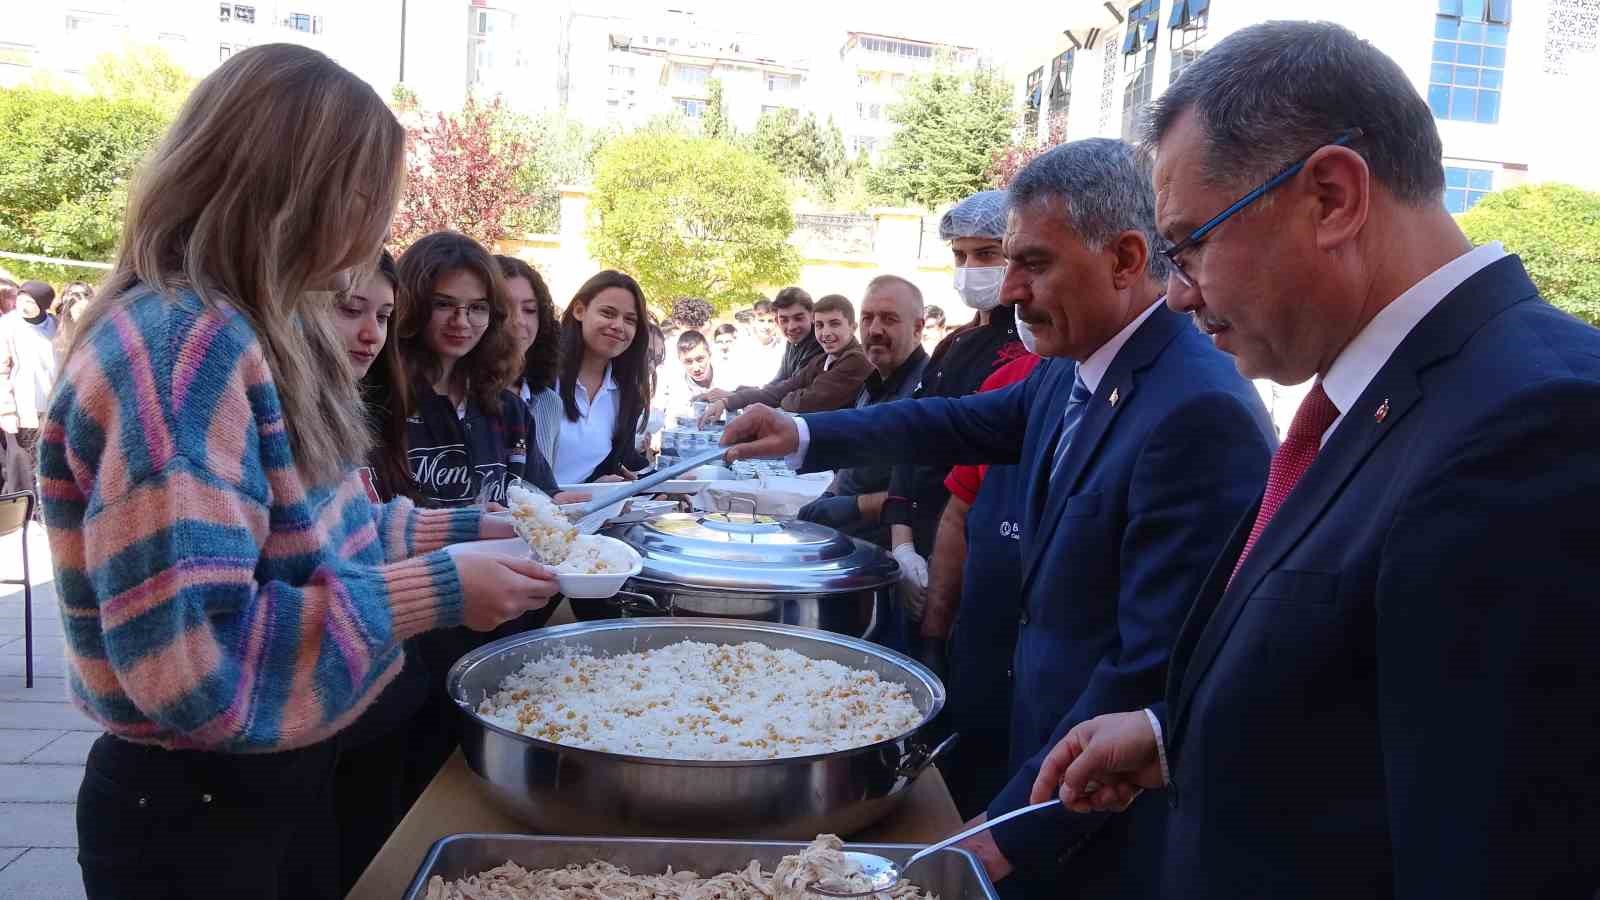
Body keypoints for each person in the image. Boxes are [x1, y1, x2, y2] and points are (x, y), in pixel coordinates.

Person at [1028, 22, 1600, 900]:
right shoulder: (1389, 388)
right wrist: (1175, 734)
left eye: (1190, 245)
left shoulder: (1536, 427)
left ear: (1332, 198)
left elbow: (1494, 850)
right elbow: (1373, 698)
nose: (1178, 295)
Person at [39, 44, 557, 900]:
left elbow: (322, 534)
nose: (374, 226)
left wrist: (485, 529)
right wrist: (439, 589)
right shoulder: (182, 349)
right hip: (198, 814)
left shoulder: (248, 330)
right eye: (366, 193)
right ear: (295, 186)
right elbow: (188, 662)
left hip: (277, 783)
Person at [719, 139, 1273, 900]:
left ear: (1124, 258)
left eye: (1034, 264)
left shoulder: (1198, 409)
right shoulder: (1070, 366)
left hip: (1102, 826)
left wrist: (1004, 832)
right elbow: (956, 423)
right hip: (1040, 760)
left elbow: (1151, 669)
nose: (1008, 289)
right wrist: (807, 434)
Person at [882, 191, 1027, 642]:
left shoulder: (1027, 351)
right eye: (960, 255)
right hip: (916, 535)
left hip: (969, 546)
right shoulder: (954, 345)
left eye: (985, 253)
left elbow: (978, 478)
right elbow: (913, 440)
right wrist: (901, 543)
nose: (970, 268)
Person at [921, 315, 1042, 818]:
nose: (1013, 290)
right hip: (980, 649)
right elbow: (958, 511)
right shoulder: (1017, 380)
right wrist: (932, 635)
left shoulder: (1181, 398)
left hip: (1054, 689)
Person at [395, 232, 562, 507]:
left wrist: (568, 502)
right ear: (410, 305)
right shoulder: (381, 404)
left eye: (477, 308)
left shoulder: (509, 410)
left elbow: (542, 495)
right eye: (443, 304)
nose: (461, 321)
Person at [794, 276, 930, 548]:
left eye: (889, 319)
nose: (875, 330)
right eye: (868, 318)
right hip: (844, 534)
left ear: (917, 328)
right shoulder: (871, 383)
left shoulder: (928, 391)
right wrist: (828, 499)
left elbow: (924, 492)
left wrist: (851, 507)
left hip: (881, 547)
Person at [550, 270, 652, 486]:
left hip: (591, 515)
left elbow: (618, 465)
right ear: (579, 310)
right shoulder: (541, 380)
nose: (618, 326)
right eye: (607, 313)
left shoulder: (626, 394)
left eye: (630, 320)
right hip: (529, 513)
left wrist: (664, 484)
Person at [698, 294, 870, 422]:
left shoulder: (856, 359)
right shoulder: (822, 358)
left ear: (853, 327)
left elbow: (807, 402)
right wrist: (728, 402)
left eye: (835, 324)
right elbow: (779, 389)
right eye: (820, 325)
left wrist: (785, 399)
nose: (825, 333)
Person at [497, 255, 563, 474]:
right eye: (504, 308)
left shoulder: (549, 402)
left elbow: (545, 493)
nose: (518, 321)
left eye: (529, 310)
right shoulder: (457, 397)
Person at [0, 280, 60, 496]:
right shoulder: (7, 325)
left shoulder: (57, 326)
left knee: (49, 460)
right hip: (22, 408)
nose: (23, 305)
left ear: (43, 304)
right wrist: (6, 410)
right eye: (21, 300)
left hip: (52, 407)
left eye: (30, 301)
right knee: (21, 466)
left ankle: (45, 508)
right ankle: (24, 510)